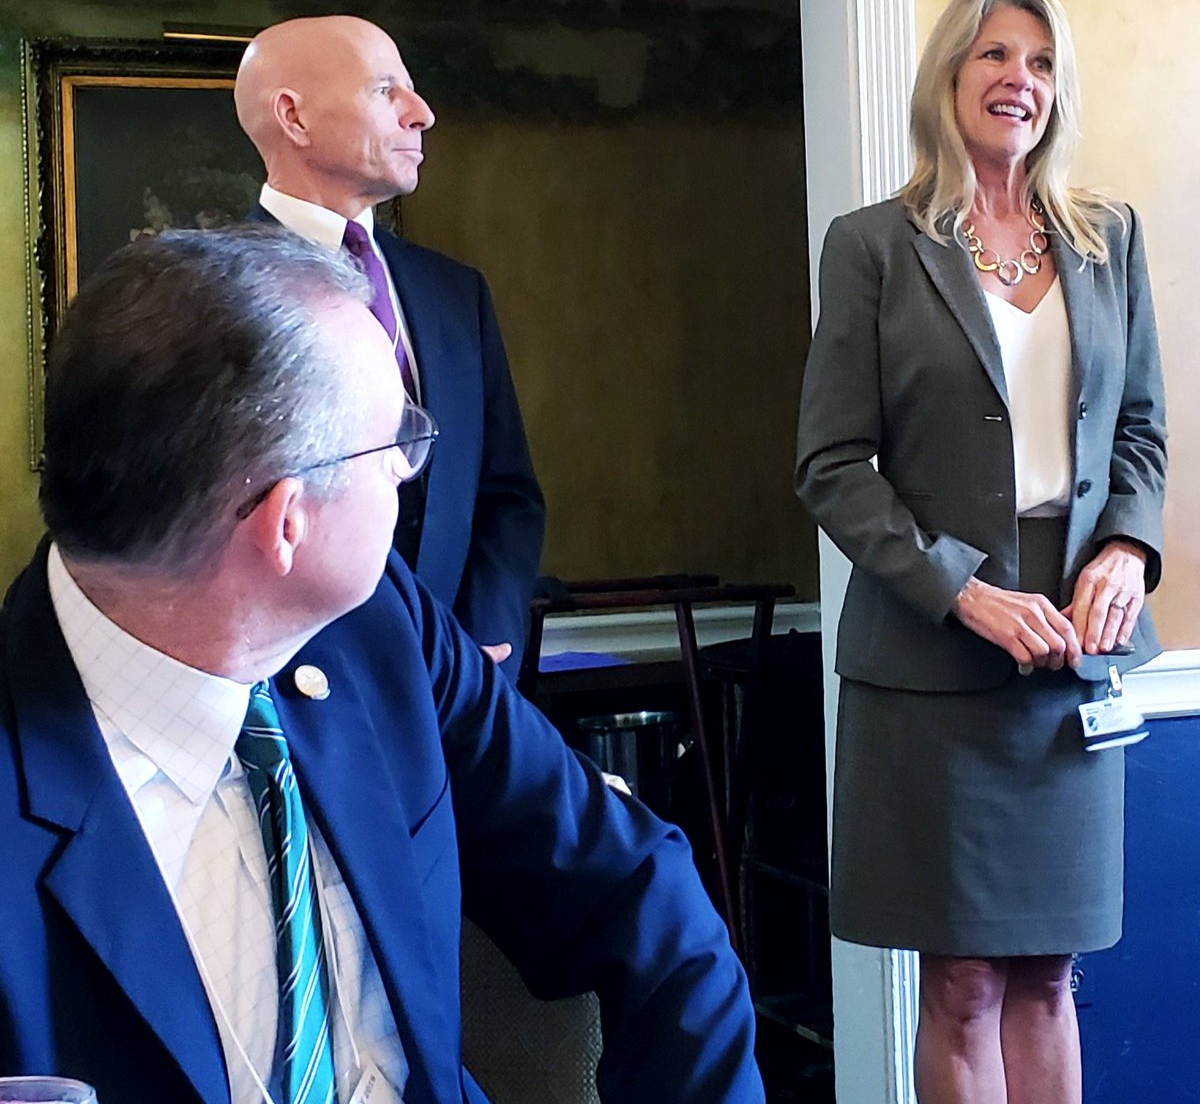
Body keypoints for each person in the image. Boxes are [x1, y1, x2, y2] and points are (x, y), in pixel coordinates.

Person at [0, 228, 763, 1104]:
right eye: (392, 440)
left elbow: (638, 889)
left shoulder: (381, 631)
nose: (409, 467)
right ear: (285, 520)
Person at [795, 0, 1166, 1104]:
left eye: (1043, 62)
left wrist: (1124, 554)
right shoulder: (872, 246)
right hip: (931, 662)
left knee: (1050, 978)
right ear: (949, 78)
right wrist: (963, 592)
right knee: (959, 982)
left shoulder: (1109, 240)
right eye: (996, 55)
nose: (1022, 80)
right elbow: (831, 465)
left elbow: (1141, 432)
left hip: (1075, 656)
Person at [234, 14, 544, 677]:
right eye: (385, 91)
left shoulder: (455, 293)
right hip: (287, 699)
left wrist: (482, 646)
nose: (423, 114)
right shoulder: (210, 293)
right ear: (293, 117)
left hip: (455, 695)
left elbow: (507, 494)